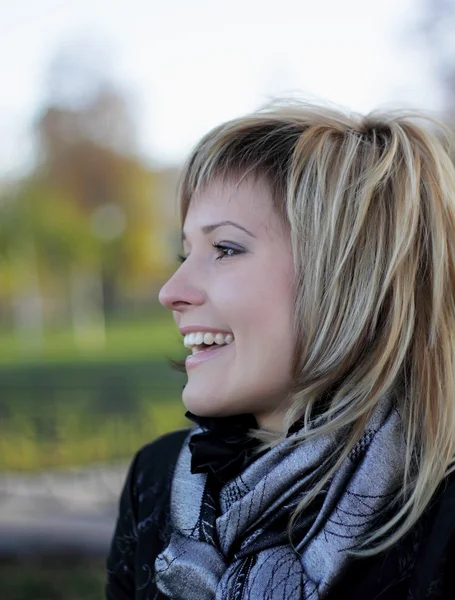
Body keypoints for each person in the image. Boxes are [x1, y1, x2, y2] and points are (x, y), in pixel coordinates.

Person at [105, 102, 455, 599]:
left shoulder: (439, 517)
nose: (171, 291)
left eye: (224, 249)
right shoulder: (154, 484)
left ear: (348, 279)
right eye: (185, 252)